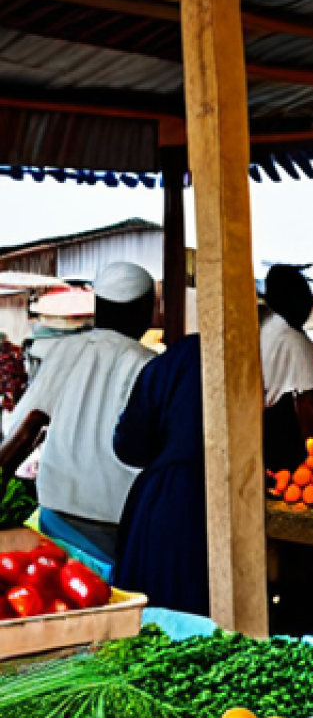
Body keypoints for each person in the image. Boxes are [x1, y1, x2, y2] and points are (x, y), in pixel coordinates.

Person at [0, 262, 156, 566]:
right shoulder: (150, 365)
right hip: (122, 516)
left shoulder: (66, 351)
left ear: (99, 307)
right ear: (145, 311)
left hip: (59, 509)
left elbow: (25, 425)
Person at [113, 335, 209, 616]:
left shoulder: (168, 362)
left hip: (163, 502)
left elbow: (130, 446)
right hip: (214, 496)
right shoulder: (253, 355)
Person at [261, 264, 313, 472]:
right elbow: (308, 404)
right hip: (288, 448)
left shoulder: (264, 329)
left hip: (263, 438)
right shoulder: (296, 341)